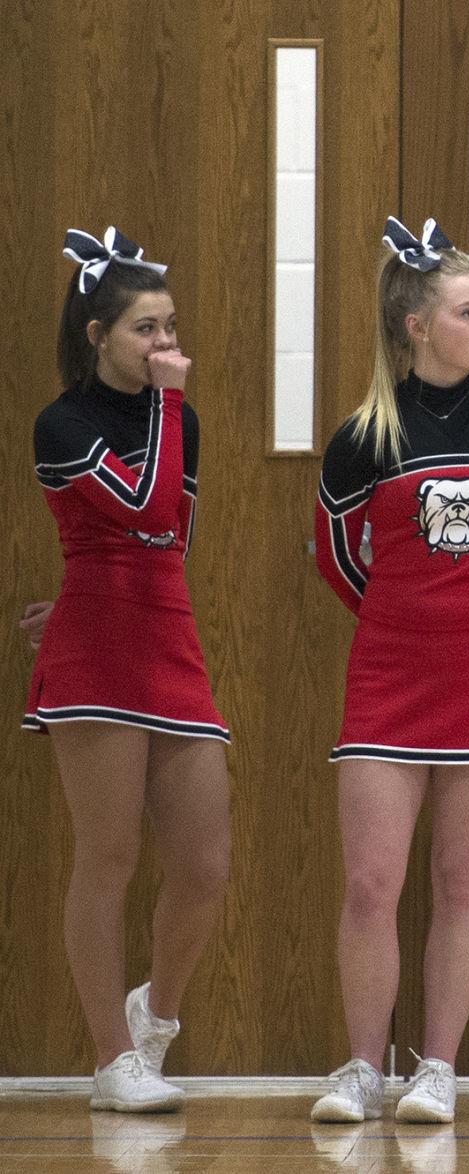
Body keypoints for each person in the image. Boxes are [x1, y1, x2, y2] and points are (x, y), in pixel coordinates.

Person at [310, 216, 469, 1124]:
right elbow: (338, 561)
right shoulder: (360, 437)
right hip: (387, 675)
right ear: (418, 325)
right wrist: (405, 618)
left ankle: (437, 1070)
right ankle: (359, 1066)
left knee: (463, 884)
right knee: (370, 885)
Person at [25, 227, 231, 1112]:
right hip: (96, 658)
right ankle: (112, 1060)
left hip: (166, 639)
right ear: (96, 334)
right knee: (106, 856)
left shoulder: (178, 419)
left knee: (204, 865)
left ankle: (154, 1017)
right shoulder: (63, 423)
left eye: (171, 326)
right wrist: (167, 402)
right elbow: (141, 503)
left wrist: (170, 407)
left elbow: (169, 537)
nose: (165, 346)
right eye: (146, 329)